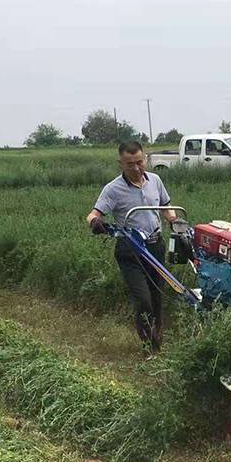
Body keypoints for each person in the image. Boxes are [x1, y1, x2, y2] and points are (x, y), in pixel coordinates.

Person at [86, 141, 177, 351]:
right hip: (131, 251)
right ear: (121, 163)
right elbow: (93, 213)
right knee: (144, 301)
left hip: (155, 246)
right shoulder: (113, 189)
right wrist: (95, 223)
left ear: (144, 158)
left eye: (139, 162)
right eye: (130, 164)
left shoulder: (155, 180)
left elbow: (165, 206)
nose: (136, 168)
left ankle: (158, 336)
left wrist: (174, 221)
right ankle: (147, 345)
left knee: (157, 298)